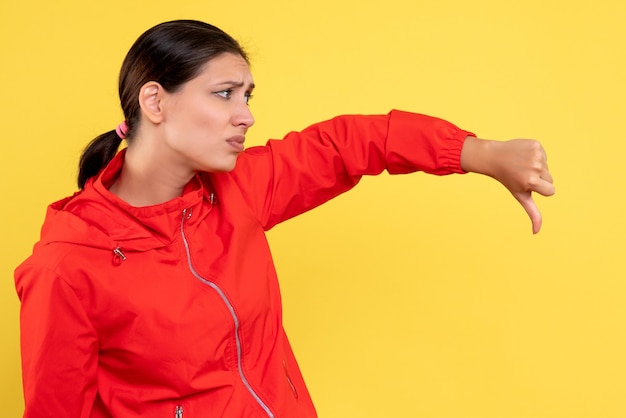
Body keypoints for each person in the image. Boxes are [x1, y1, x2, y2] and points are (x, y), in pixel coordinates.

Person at [14, 19, 555, 418]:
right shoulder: (67, 269)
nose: (245, 115)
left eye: (247, 96)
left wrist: (477, 153)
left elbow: (348, 144)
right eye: (224, 94)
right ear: (155, 102)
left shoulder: (239, 191)